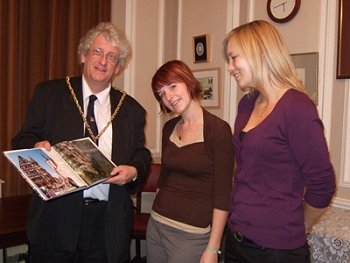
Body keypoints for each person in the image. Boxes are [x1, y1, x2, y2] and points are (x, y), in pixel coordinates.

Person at [12, 22, 152, 263]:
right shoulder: (50, 94)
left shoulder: (131, 110)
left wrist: (134, 170)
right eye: (97, 52)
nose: (103, 61)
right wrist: (36, 147)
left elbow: (141, 153)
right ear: (84, 55)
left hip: (107, 225)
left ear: (118, 67)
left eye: (112, 57)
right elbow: (23, 138)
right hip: (55, 221)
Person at [222, 20, 336, 263]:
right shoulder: (247, 104)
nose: (230, 67)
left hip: (276, 251)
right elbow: (244, 169)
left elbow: (323, 184)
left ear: (258, 52)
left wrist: (301, 223)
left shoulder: (297, 108)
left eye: (233, 57)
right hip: (236, 239)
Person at [146, 60, 234, 263]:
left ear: (188, 81)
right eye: (161, 93)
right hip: (157, 224)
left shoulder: (218, 131)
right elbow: (165, 178)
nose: (168, 96)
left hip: (191, 234)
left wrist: (213, 248)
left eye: (173, 86)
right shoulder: (169, 128)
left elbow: (223, 195)